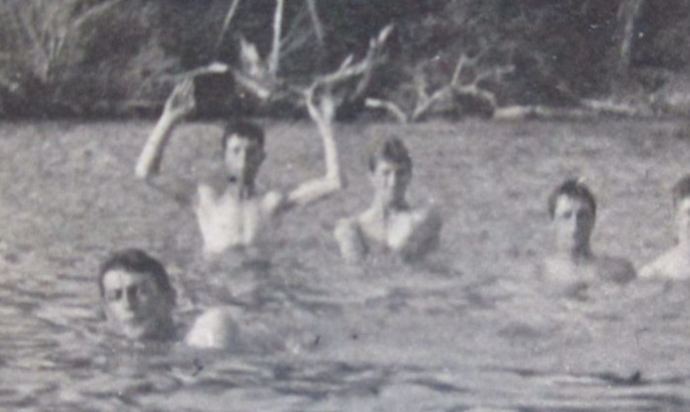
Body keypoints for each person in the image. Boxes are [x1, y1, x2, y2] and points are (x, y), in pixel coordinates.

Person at [135, 76, 342, 256]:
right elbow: (145, 173)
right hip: (218, 294)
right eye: (235, 151)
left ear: (262, 158)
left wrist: (326, 126)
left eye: (251, 152)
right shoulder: (206, 201)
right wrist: (168, 119)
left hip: (261, 294)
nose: (243, 159)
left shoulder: (271, 204)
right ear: (223, 156)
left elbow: (335, 182)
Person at [98, 249, 238, 349]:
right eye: (115, 296)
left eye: (141, 292)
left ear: (170, 298)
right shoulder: (101, 353)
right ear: (106, 309)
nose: (128, 304)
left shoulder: (205, 332)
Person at [335, 137, 442, 263]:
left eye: (401, 173)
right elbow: (354, 274)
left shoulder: (422, 222)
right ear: (372, 177)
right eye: (386, 173)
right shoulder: (353, 228)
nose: (393, 182)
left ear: (409, 176)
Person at [540, 178, 634, 292]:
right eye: (566, 216)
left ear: (593, 220)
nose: (575, 224)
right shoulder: (540, 273)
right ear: (553, 223)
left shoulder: (618, 270)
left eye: (582, 216)